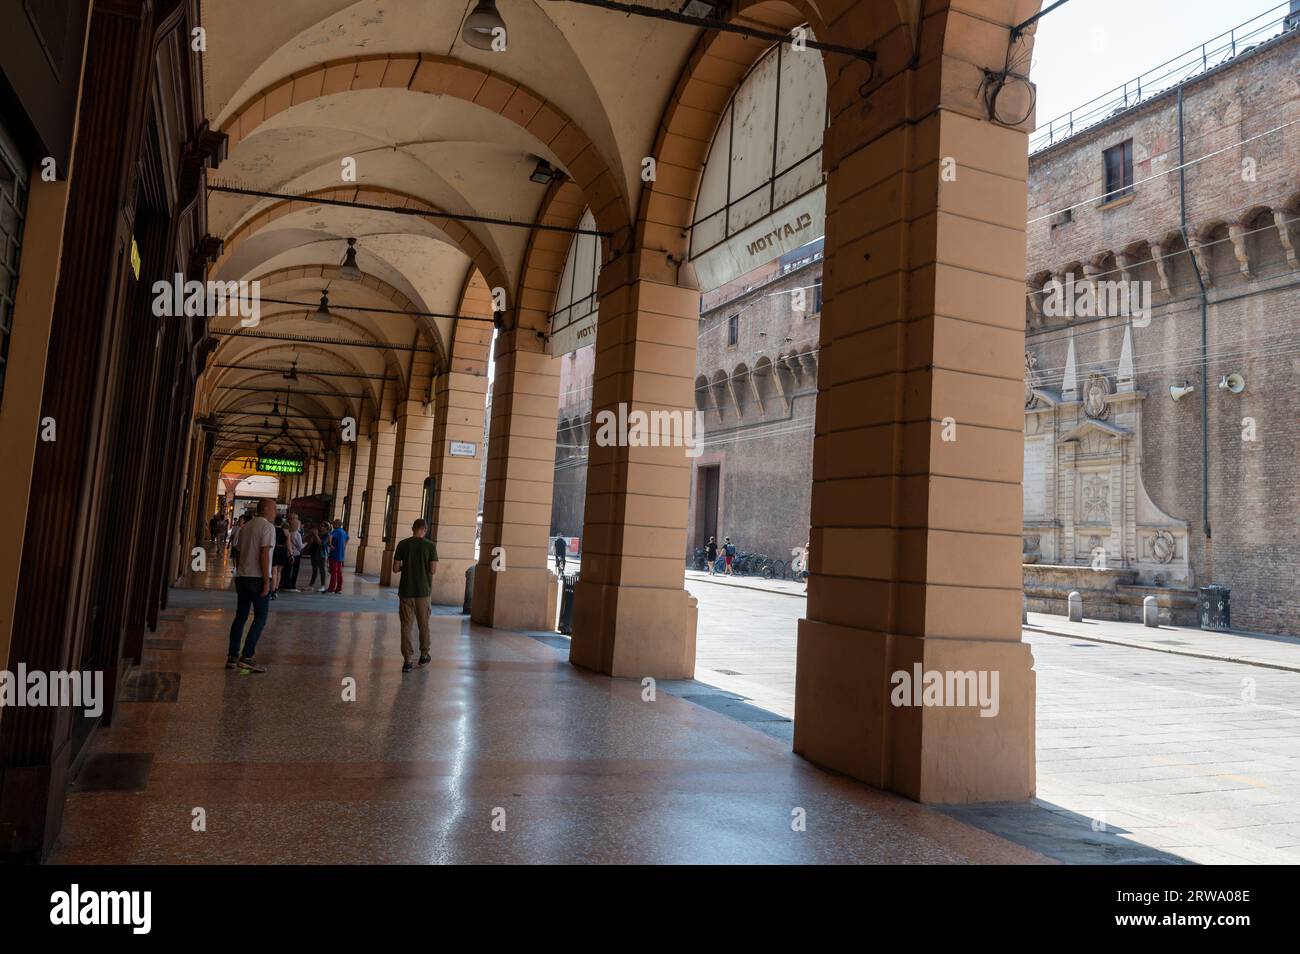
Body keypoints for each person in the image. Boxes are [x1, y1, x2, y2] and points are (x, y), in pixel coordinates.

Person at [227, 497, 275, 673]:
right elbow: (264, 554)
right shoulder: (267, 527)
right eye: (274, 509)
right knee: (260, 617)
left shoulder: (245, 527)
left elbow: (237, 553)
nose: (275, 513)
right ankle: (247, 656)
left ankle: (232, 656)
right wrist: (265, 581)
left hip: (243, 576)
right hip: (257, 578)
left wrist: (240, 570)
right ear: (267, 509)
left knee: (240, 616)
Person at [392, 518, 438, 672]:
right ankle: (424, 655)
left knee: (406, 625)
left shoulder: (403, 544)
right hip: (423, 592)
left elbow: (395, 568)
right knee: (423, 624)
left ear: (413, 528)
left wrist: (407, 565)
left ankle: (408, 660)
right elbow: (432, 570)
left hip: (406, 591)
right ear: (425, 529)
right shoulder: (430, 546)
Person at [325, 518, 349, 593]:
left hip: (334, 554)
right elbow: (348, 538)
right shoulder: (343, 532)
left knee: (333, 572)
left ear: (337, 525)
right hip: (341, 555)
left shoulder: (335, 531)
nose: (333, 525)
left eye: (334, 524)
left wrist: (330, 545)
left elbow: (330, 537)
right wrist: (344, 546)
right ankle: (338, 588)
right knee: (339, 572)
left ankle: (331, 588)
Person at [270, 514, 288, 599]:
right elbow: (288, 542)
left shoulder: (272, 530)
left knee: (274, 571)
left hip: (275, 550)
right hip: (283, 550)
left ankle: (272, 591)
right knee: (279, 571)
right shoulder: (285, 531)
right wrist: (290, 553)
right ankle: (276, 589)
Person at [284, 513, 304, 591]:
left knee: (287, 570)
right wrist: (306, 543)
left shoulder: (288, 532)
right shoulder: (297, 534)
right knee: (295, 570)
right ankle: (292, 585)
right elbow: (300, 546)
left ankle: (285, 584)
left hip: (288, 553)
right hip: (296, 554)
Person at [305, 520, 327, 589]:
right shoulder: (318, 533)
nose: (320, 527)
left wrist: (316, 535)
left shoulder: (327, 535)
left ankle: (323, 585)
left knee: (322, 570)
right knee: (314, 570)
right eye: (320, 525)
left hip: (321, 555)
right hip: (314, 553)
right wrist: (311, 536)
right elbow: (308, 540)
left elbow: (321, 543)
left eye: (322, 526)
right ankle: (311, 585)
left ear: (326, 527)